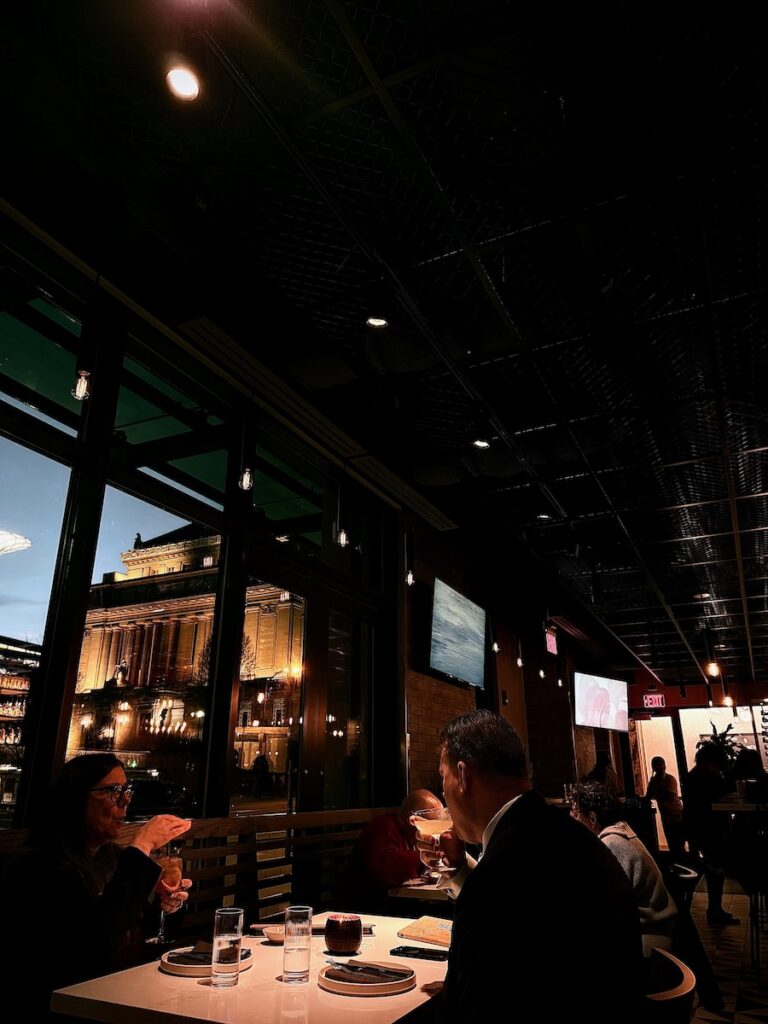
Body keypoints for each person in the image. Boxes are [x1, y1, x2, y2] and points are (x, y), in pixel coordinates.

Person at [420, 710, 643, 1023]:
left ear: (463, 775)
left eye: (443, 777)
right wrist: (458, 867)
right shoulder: (564, 834)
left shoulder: (505, 870)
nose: (443, 791)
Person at [0, 753, 192, 1015]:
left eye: (126, 790)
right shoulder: (39, 868)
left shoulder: (110, 859)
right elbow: (93, 949)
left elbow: (134, 937)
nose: (125, 800)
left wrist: (165, 906)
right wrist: (143, 846)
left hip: (120, 997)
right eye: (113, 791)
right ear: (76, 798)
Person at [573, 781, 677, 955]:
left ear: (592, 818)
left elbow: (604, 903)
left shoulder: (611, 845)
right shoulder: (622, 833)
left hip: (648, 938)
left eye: (576, 815)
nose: (573, 822)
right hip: (652, 928)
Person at [334, 788, 442, 914]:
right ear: (412, 819)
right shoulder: (383, 827)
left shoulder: (409, 834)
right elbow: (387, 869)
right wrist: (425, 856)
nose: (435, 831)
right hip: (366, 908)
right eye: (431, 823)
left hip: (393, 902)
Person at [683, 742, 738, 925]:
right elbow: (718, 799)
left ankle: (696, 911)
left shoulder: (694, 773)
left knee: (706, 868)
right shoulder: (710, 774)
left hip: (697, 828)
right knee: (715, 868)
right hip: (711, 828)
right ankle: (714, 910)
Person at [645, 755, 685, 860]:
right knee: (672, 842)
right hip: (667, 816)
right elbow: (647, 796)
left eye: (661, 766)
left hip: (676, 815)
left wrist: (656, 786)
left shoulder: (669, 779)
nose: (660, 769)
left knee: (678, 843)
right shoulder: (654, 781)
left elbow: (670, 795)